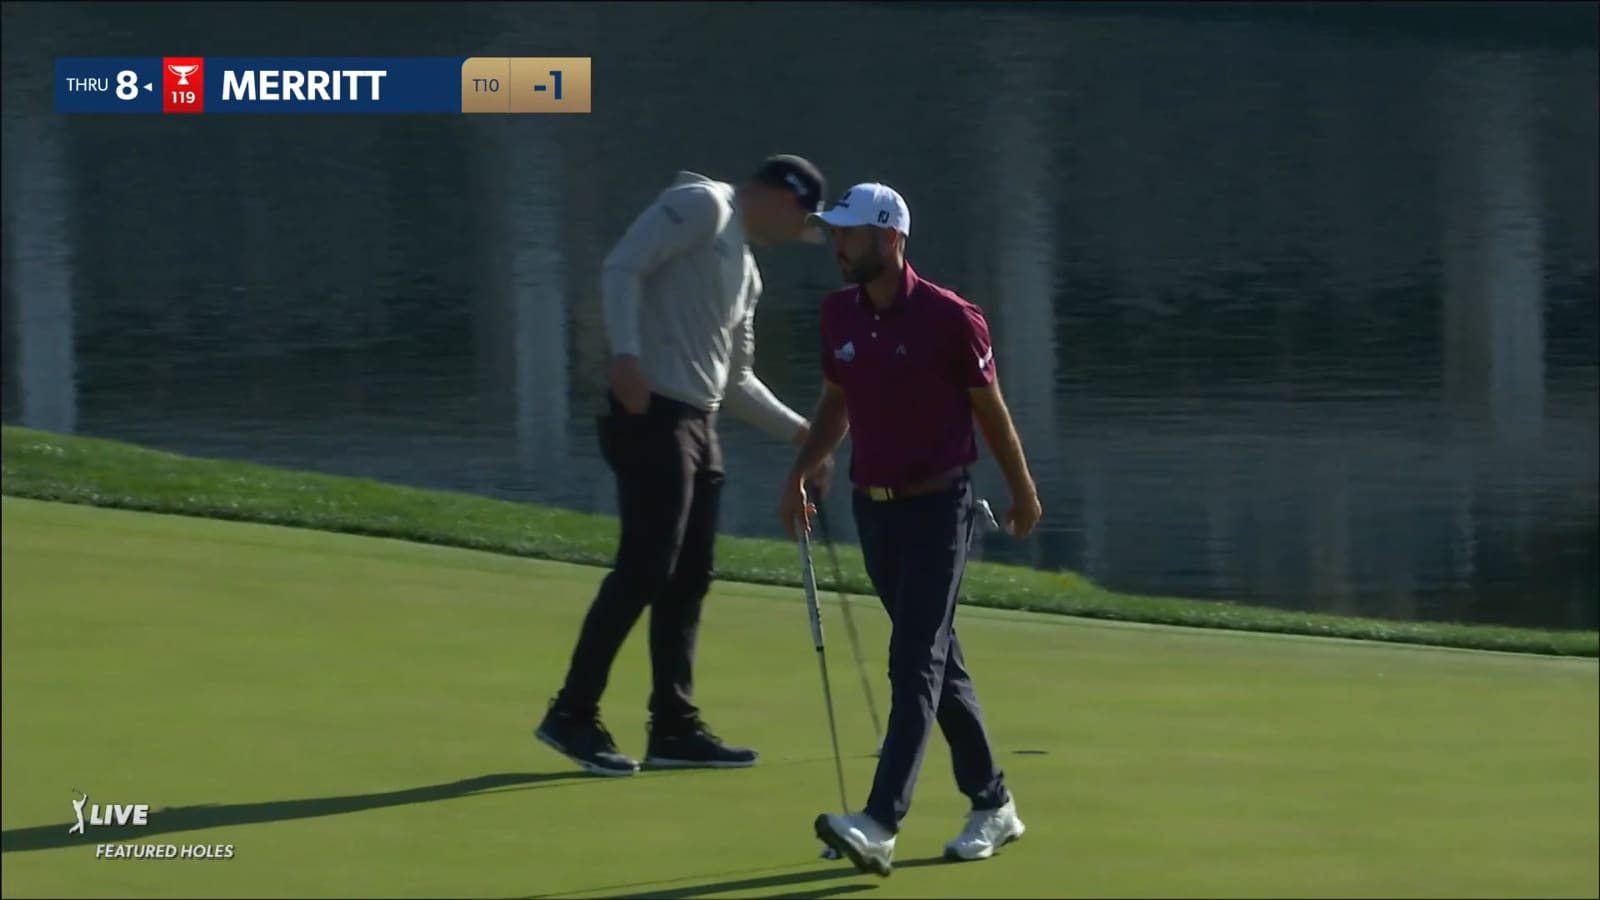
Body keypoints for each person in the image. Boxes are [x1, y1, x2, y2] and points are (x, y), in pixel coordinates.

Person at [536, 156, 837, 777]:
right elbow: (623, 265)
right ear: (782, 197)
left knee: (689, 575)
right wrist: (625, 357)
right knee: (646, 567)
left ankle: (673, 726)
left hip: (699, 422)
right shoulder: (705, 206)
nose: (799, 233)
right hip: (650, 410)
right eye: (802, 218)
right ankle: (571, 713)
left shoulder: (748, 271)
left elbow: (735, 381)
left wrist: (804, 434)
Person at [779, 182, 1042, 876]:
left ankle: (879, 822)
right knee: (936, 659)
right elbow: (838, 400)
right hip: (875, 509)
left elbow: (991, 411)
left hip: (940, 509)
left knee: (913, 661)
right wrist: (803, 470)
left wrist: (1022, 492)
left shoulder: (953, 318)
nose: (837, 245)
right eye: (834, 234)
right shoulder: (838, 314)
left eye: (850, 234)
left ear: (890, 238)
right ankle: (994, 803)